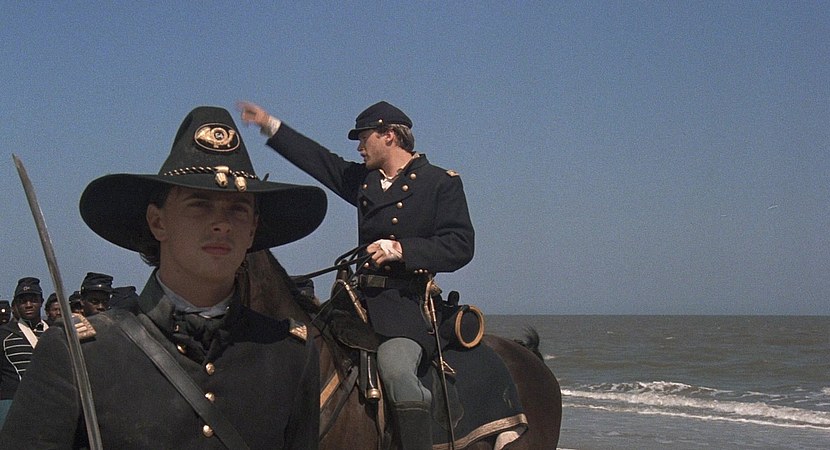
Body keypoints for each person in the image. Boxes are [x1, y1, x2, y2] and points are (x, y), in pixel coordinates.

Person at [0, 106, 327, 448]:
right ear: (158, 222)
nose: (221, 223)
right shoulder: (80, 353)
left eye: (238, 209)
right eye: (199, 204)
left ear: (252, 230)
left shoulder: (288, 354)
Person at [239, 100, 475, 449]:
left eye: (364, 138)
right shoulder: (365, 181)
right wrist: (270, 125)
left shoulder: (439, 183)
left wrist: (402, 250)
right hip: (353, 303)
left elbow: (460, 245)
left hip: (403, 308)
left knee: (397, 374)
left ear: (389, 135)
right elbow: (320, 161)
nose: (359, 147)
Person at [0, 277, 49, 401]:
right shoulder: (4, 335)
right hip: (15, 403)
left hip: (51, 402)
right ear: (16, 304)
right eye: (23, 301)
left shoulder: (55, 331)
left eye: (33, 300)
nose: (28, 305)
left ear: (41, 301)